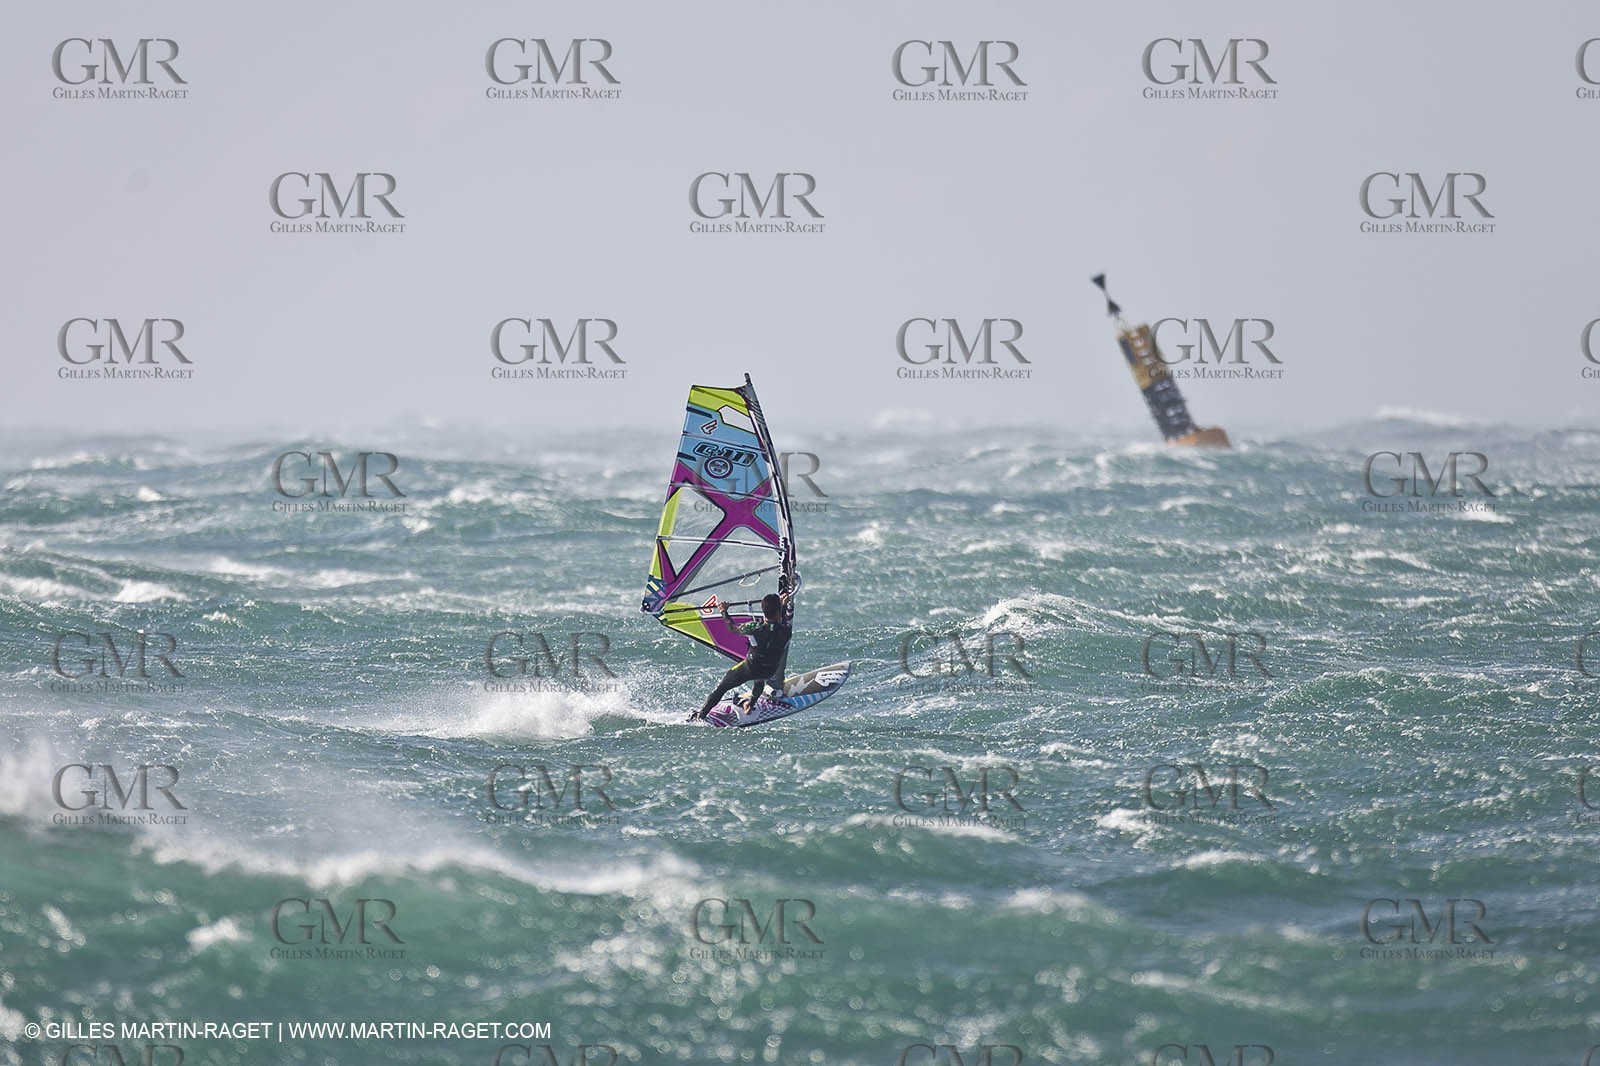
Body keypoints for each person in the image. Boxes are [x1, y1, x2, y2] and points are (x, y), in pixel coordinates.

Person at [689, 592, 791, 720]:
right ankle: (750, 704)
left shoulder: (753, 627)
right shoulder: (787, 631)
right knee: (759, 680)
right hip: (770, 670)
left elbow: (732, 627)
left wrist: (723, 611)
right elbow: (778, 623)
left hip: (750, 668)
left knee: (721, 688)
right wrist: (784, 606)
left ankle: (701, 715)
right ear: (779, 611)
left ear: (763, 611)